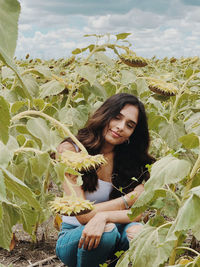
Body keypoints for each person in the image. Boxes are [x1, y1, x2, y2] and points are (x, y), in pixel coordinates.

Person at [55, 93, 154, 267]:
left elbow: (138, 214)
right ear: (105, 114)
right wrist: (127, 200)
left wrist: (103, 216)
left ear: (132, 133)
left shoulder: (132, 162)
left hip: (117, 230)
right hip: (74, 236)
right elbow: (82, 215)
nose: (121, 127)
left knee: (139, 233)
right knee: (107, 231)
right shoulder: (71, 150)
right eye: (117, 117)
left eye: (129, 125)